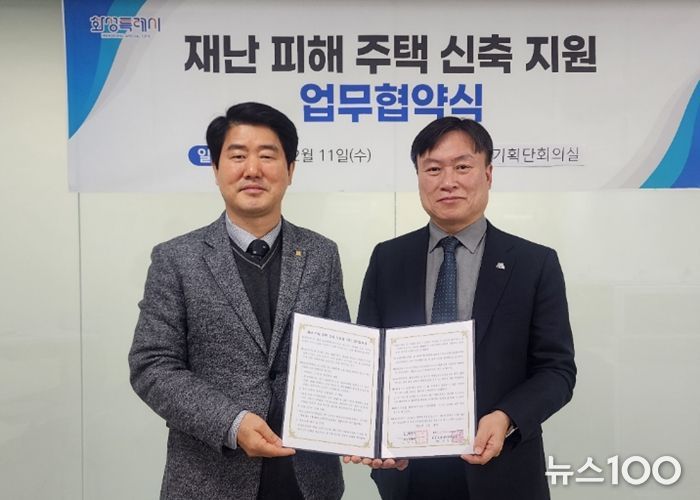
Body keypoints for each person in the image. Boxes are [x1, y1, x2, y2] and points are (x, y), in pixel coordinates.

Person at [129, 102, 350, 500]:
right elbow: (152, 365)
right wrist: (231, 422)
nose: (252, 170)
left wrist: (363, 428)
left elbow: (342, 356)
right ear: (216, 170)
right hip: (209, 479)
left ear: (290, 170)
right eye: (237, 156)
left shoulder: (322, 254)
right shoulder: (176, 259)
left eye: (267, 155)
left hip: (308, 480)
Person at [354, 117, 576, 499]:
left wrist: (507, 417)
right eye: (433, 169)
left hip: (502, 471)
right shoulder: (388, 259)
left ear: (488, 174)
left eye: (462, 167)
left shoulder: (534, 263)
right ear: (419, 177)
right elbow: (368, 363)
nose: (448, 181)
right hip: (409, 474)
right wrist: (375, 435)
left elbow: (557, 370)